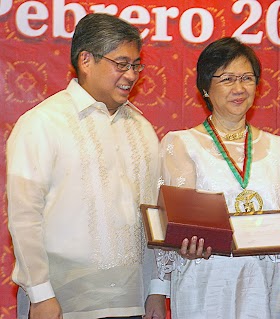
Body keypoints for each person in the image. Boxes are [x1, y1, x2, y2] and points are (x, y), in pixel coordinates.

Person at [145, 37, 280, 319]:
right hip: (204, 281)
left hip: (261, 284)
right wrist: (183, 244)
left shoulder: (278, 148)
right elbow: (176, 221)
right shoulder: (180, 144)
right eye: (227, 79)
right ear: (205, 87)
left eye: (247, 78)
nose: (239, 88)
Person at [7, 13, 164, 319]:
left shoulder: (143, 129)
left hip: (132, 302)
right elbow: (24, 217)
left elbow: (155, 216)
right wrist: (40, 295)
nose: (131, 75)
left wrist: (157, 288)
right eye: (121, 64)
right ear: (86, 60)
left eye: (135, 65)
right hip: (60, 304)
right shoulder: (41, 123)